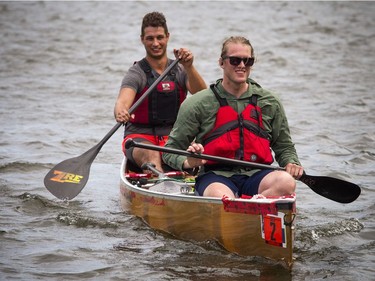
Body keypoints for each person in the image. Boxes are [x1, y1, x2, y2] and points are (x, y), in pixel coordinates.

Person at [162, 36, 304, 198]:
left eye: (248, 61)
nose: (242, 66)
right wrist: (189, 162)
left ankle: (256, 204)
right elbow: (170, 151)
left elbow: (284, 146)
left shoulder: (270, 102)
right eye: (235, 61)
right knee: (219, 196)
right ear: (221, 63)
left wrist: (291, 163)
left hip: (258, 175)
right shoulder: (197, 104)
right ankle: (242, 206)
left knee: (287, 182)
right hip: (215, 177)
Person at [114, 12, 206, 172]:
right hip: (139, 138)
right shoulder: (136, 73)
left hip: (174, 138)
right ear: (142, 39)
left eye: (159, 37)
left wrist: (189, 66)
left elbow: (203, 96)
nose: (155, 43)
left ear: (167, 37)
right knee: (152, 154)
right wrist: (121, 112)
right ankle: (161, 184)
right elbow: (122, 101)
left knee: (198, 155)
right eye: (150, 38)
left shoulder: (180, 69)